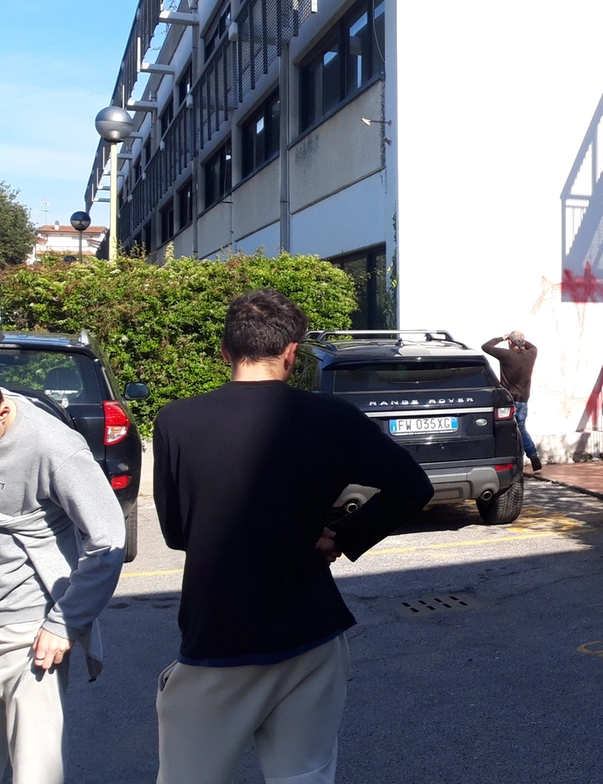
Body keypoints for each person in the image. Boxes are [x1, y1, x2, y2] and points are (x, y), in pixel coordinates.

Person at [152, 289, 435, 784]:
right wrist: (341, 537)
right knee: (304, 776)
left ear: (224, 351)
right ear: (291, 352)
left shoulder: (176, 420)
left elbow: (177, 533)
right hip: (310, 629)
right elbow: (413, 485)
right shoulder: (331, 417)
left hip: (217, 633)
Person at [0, 388, 125, 783]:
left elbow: (107, 540)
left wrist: (65, 622)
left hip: (27, 632)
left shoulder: (51, 443)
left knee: (35, 771)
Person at [483, 331, 542, 472]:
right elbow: (531, 345)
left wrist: (502, 338)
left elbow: (486, 346)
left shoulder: (506, 355)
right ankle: (531, 455)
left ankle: (514, 459)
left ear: (510, 342)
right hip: (523, 400)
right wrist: (521, 340)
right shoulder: (532, 353)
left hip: (508, 401)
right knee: (521, 428)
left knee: (504, 429)